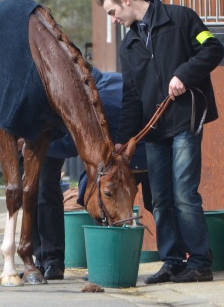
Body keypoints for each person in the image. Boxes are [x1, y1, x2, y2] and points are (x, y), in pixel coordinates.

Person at [96, 0, 224, 283]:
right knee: (161, 198)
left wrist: (184, 74)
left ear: (126, 0)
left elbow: (213, 48)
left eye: (113, 12)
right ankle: (173, 261)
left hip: (183, 122)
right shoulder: (129, 47)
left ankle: (200, 262)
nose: (113, 20)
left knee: (183, 193)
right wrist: (121, 141)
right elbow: (130, 97)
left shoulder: (181, 18)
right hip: (152, 131)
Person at [30, 67, 152, 281]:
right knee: (157, 201)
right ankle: (183, 256)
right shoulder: (110, 81)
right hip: (150, 152)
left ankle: (106, 263)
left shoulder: (90, 100)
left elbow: (71, 145)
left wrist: (34, 144)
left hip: (128, 159)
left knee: (102, 196)